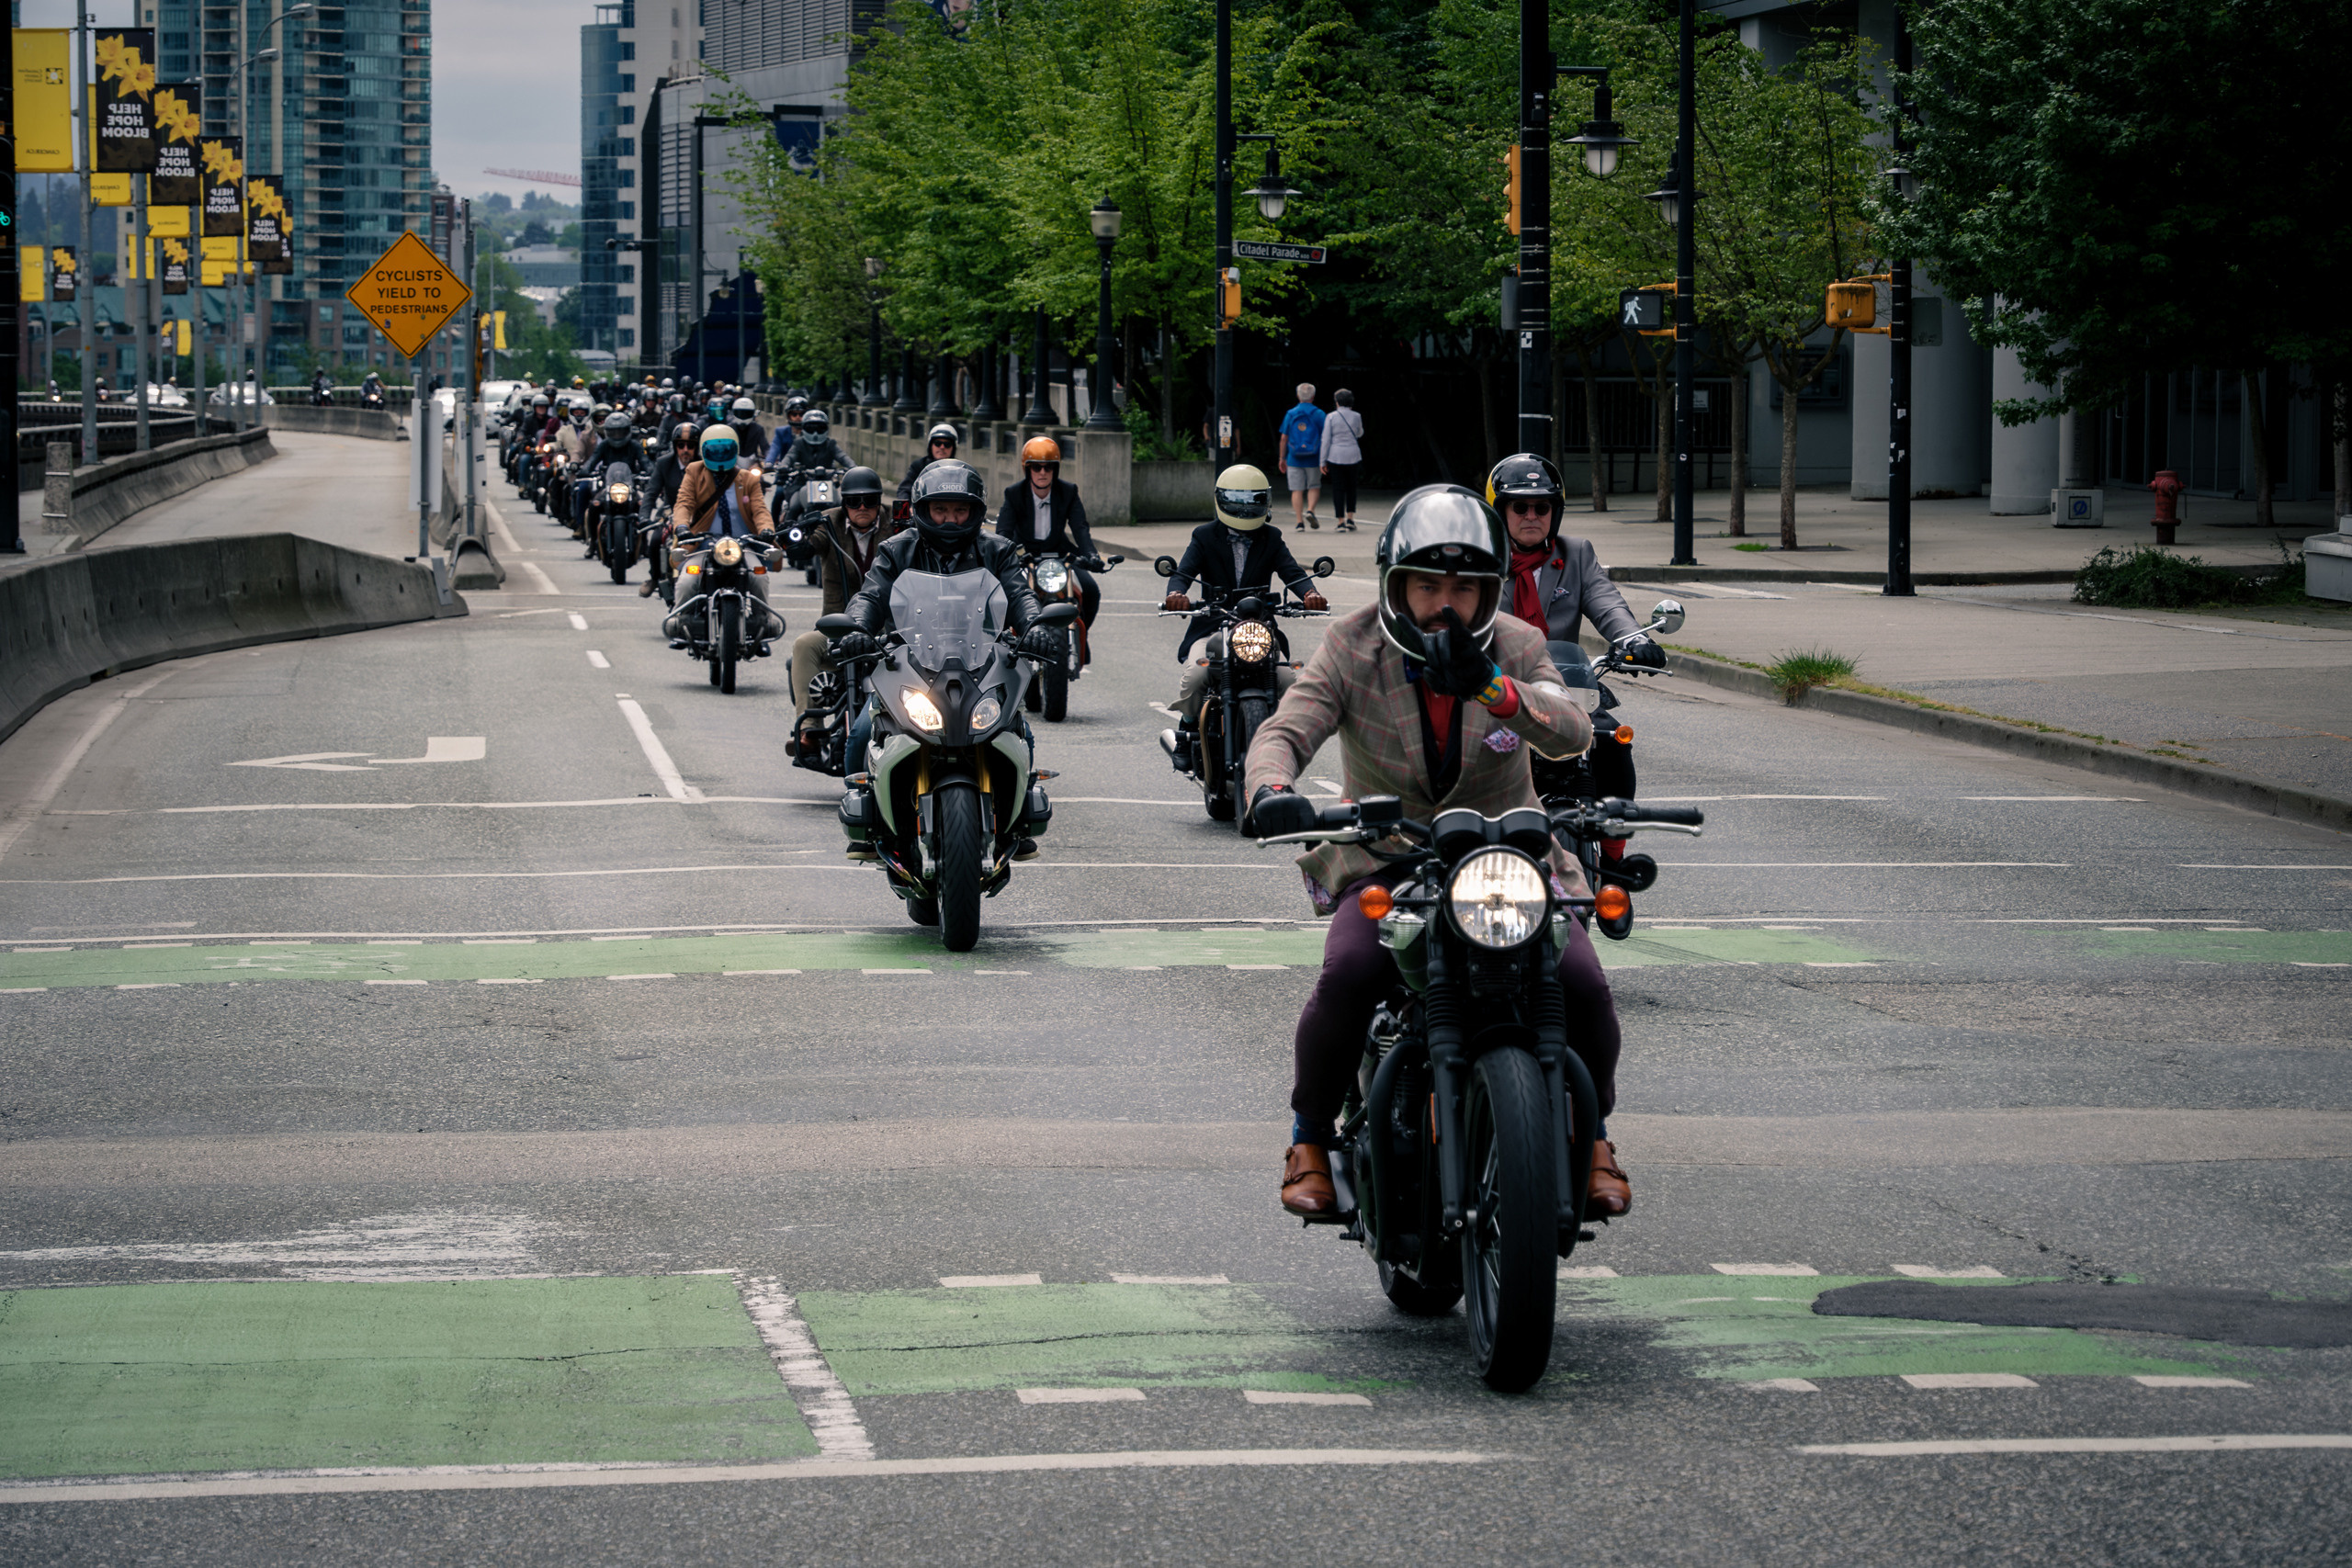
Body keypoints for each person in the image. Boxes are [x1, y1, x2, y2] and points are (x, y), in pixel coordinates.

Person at [1242, 484, 1634, 1223]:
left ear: (1488, 591)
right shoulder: (1352, 644)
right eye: (1427, 585)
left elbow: (1573, 729)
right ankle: (1309, 1140)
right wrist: (1271, 787)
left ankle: (1594, 1138)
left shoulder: (1517, 644)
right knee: (1350, 970)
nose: (1444, 604)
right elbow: (1288, 727)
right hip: (1390, 856)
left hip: (1507, 858)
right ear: (1396, 586)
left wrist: (1496, 689)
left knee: (1581, 980)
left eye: (1464, 587)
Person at [833, 460, 1058, 855]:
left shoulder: (997, 549)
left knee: (1016, 729)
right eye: (940, 510)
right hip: (912, 661)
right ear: (923, 510)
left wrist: (1036, 625)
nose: (950, 519)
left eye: (960, 510)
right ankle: (868, 823)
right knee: (863, 732)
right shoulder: (896, 549)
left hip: (981, 661)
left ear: (975, 512)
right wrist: (857, 628)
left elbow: (1020, 595)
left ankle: (1016, 822)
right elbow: (870, 596)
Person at [1487, 452, 1661, 829]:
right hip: (1498, 689)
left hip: (1567, 688)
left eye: (1542, 507)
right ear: (1500, 511)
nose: (1532, 516)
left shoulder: (1576, 554)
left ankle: (1614, 847)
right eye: (1520, 506)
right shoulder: (1480, 563)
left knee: (1611, 741)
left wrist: (1634, 641)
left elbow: (1607, 604)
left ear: (1555, 512)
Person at [1159, 463, 1328, 763]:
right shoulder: (1204, 536)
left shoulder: (1272, 537)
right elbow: (1183, 572)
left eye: (1253, 501)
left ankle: (1284, 740)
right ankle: (1187, 731)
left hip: (1258, 628)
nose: (1245, 508)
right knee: (1197, 675)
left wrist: (1310, 594)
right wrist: (1176, 595)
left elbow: (1292, 572)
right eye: (1237, 500)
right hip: (1213, 627)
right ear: (1221, 499)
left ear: (1266, 501)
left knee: (1289, 680)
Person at [786, 465, 901, 762]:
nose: (862, 507)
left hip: (891, 631)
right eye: (853, 501)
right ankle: (810, 733)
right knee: (804, 646)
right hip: (839, 628)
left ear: (879, 501)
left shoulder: (899, 526)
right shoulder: (830, 523)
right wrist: (793, 539)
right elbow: (808, 547)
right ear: (844, 503)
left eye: (869, 500)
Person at [667, 426, 780, 644]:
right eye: (714, 451)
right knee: (688, 580)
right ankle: (681, 622)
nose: (720, 455)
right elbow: (683, 503)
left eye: (725, 451)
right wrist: (681, 526)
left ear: (735, 450)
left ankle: (762, 624)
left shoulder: (748, 478)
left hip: (741, 545)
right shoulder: (694, 471)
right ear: (703, 450)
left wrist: (766, 530)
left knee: (759, 576)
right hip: (704, 544)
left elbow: (759, 510)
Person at [994, 435, 1101, 639]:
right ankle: (1008, 640)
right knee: (1005, 593)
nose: (1042, 473)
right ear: (1027, 469)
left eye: (1048, 467)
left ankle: (1080, 638)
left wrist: (1091, 555)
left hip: (1061, 554)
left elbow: (1080, 528)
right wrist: (1005, 556)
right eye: (1036, 467)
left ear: (1055, 469)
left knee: (1090, 590)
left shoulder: (1068, 491)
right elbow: (1004, 532)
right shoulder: (1014, 493)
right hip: (1025, 555)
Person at [639, 421, 699, 600]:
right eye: (681, 445)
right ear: (675, 446)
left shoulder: (704, 464)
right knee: (655, 540)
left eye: (690, 446)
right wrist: (644, 517)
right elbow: (651, 492)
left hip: (699, 516)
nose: (685, 450)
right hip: (670, 514)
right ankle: (654, 577)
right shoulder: (664, 463)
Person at [1277, 383, 1326, 532]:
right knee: (1314, 486)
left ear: (1298, 396)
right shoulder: (1319, 414)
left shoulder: (1291, 413)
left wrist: (1282, 458)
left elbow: (1284, 438)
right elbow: (1325, 437)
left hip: (1294, 458)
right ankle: (1310, 510)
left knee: (1296, 490)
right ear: (1313, 396)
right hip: (1314, 457)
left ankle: (1299, 522)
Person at [1318, 389, 1366, 533]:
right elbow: (1359, 433)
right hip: (1353, 455)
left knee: (1338, 488)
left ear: (1337, 402)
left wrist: (1322, 461)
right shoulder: (1357, 416)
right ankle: (1350, 518)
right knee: (1352, 487)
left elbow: (1326, 440)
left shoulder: (1331, 417)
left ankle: (1340, 521)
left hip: (1336, 456)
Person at [894, 423, 961, 503]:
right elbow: (904, 490)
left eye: (947, 444)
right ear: (930, 445)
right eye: (937, 443)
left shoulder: (960, 469)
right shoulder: (919, 466)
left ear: (953, 448)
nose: (942, 447)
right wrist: (908, 506)